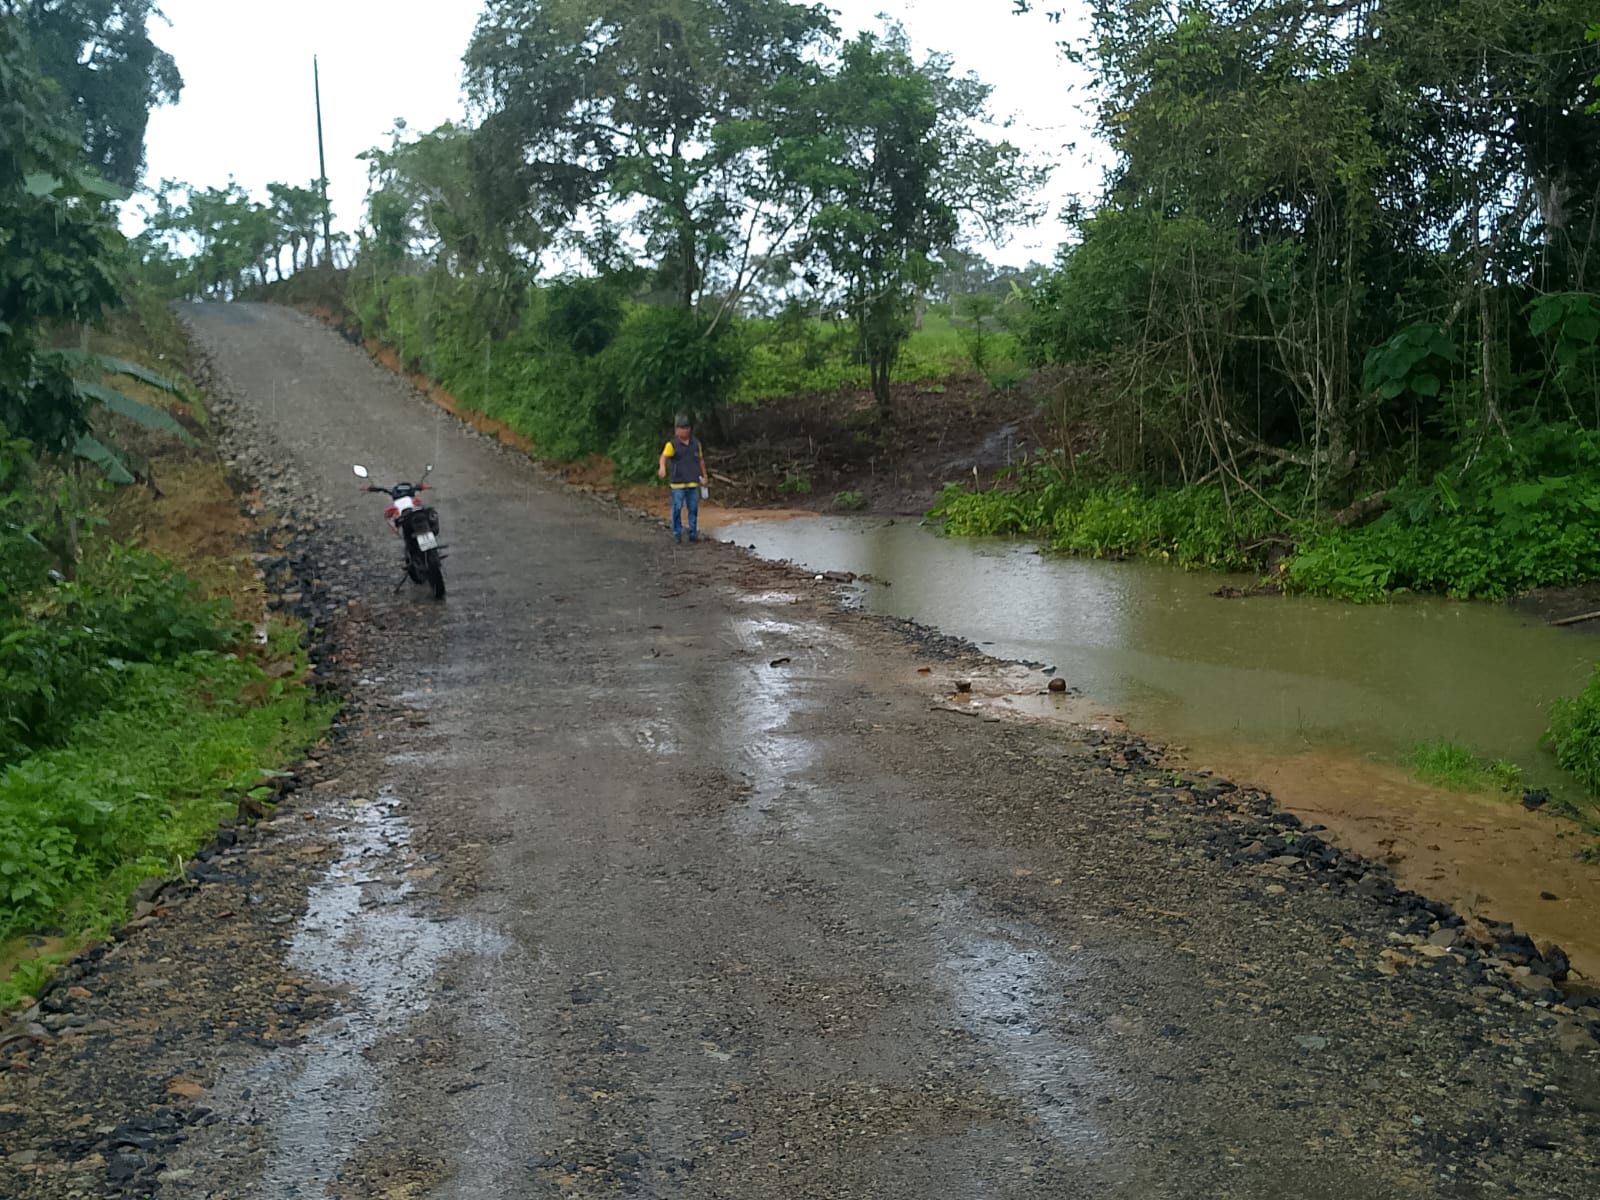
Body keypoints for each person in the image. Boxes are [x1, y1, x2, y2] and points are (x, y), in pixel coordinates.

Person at [657, 414, 707, 542]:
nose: (685, 430)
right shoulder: (672, 445)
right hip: (678, 483)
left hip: (693, 482)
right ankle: (677, 533)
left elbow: (701, 460)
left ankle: (693, 533)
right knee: (677, 508)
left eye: (686, 427)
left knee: (693, 509)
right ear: (676, 430)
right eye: (682, 428)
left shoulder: (696, 444)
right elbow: (663, 457)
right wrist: (662, 467)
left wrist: (704, 475)